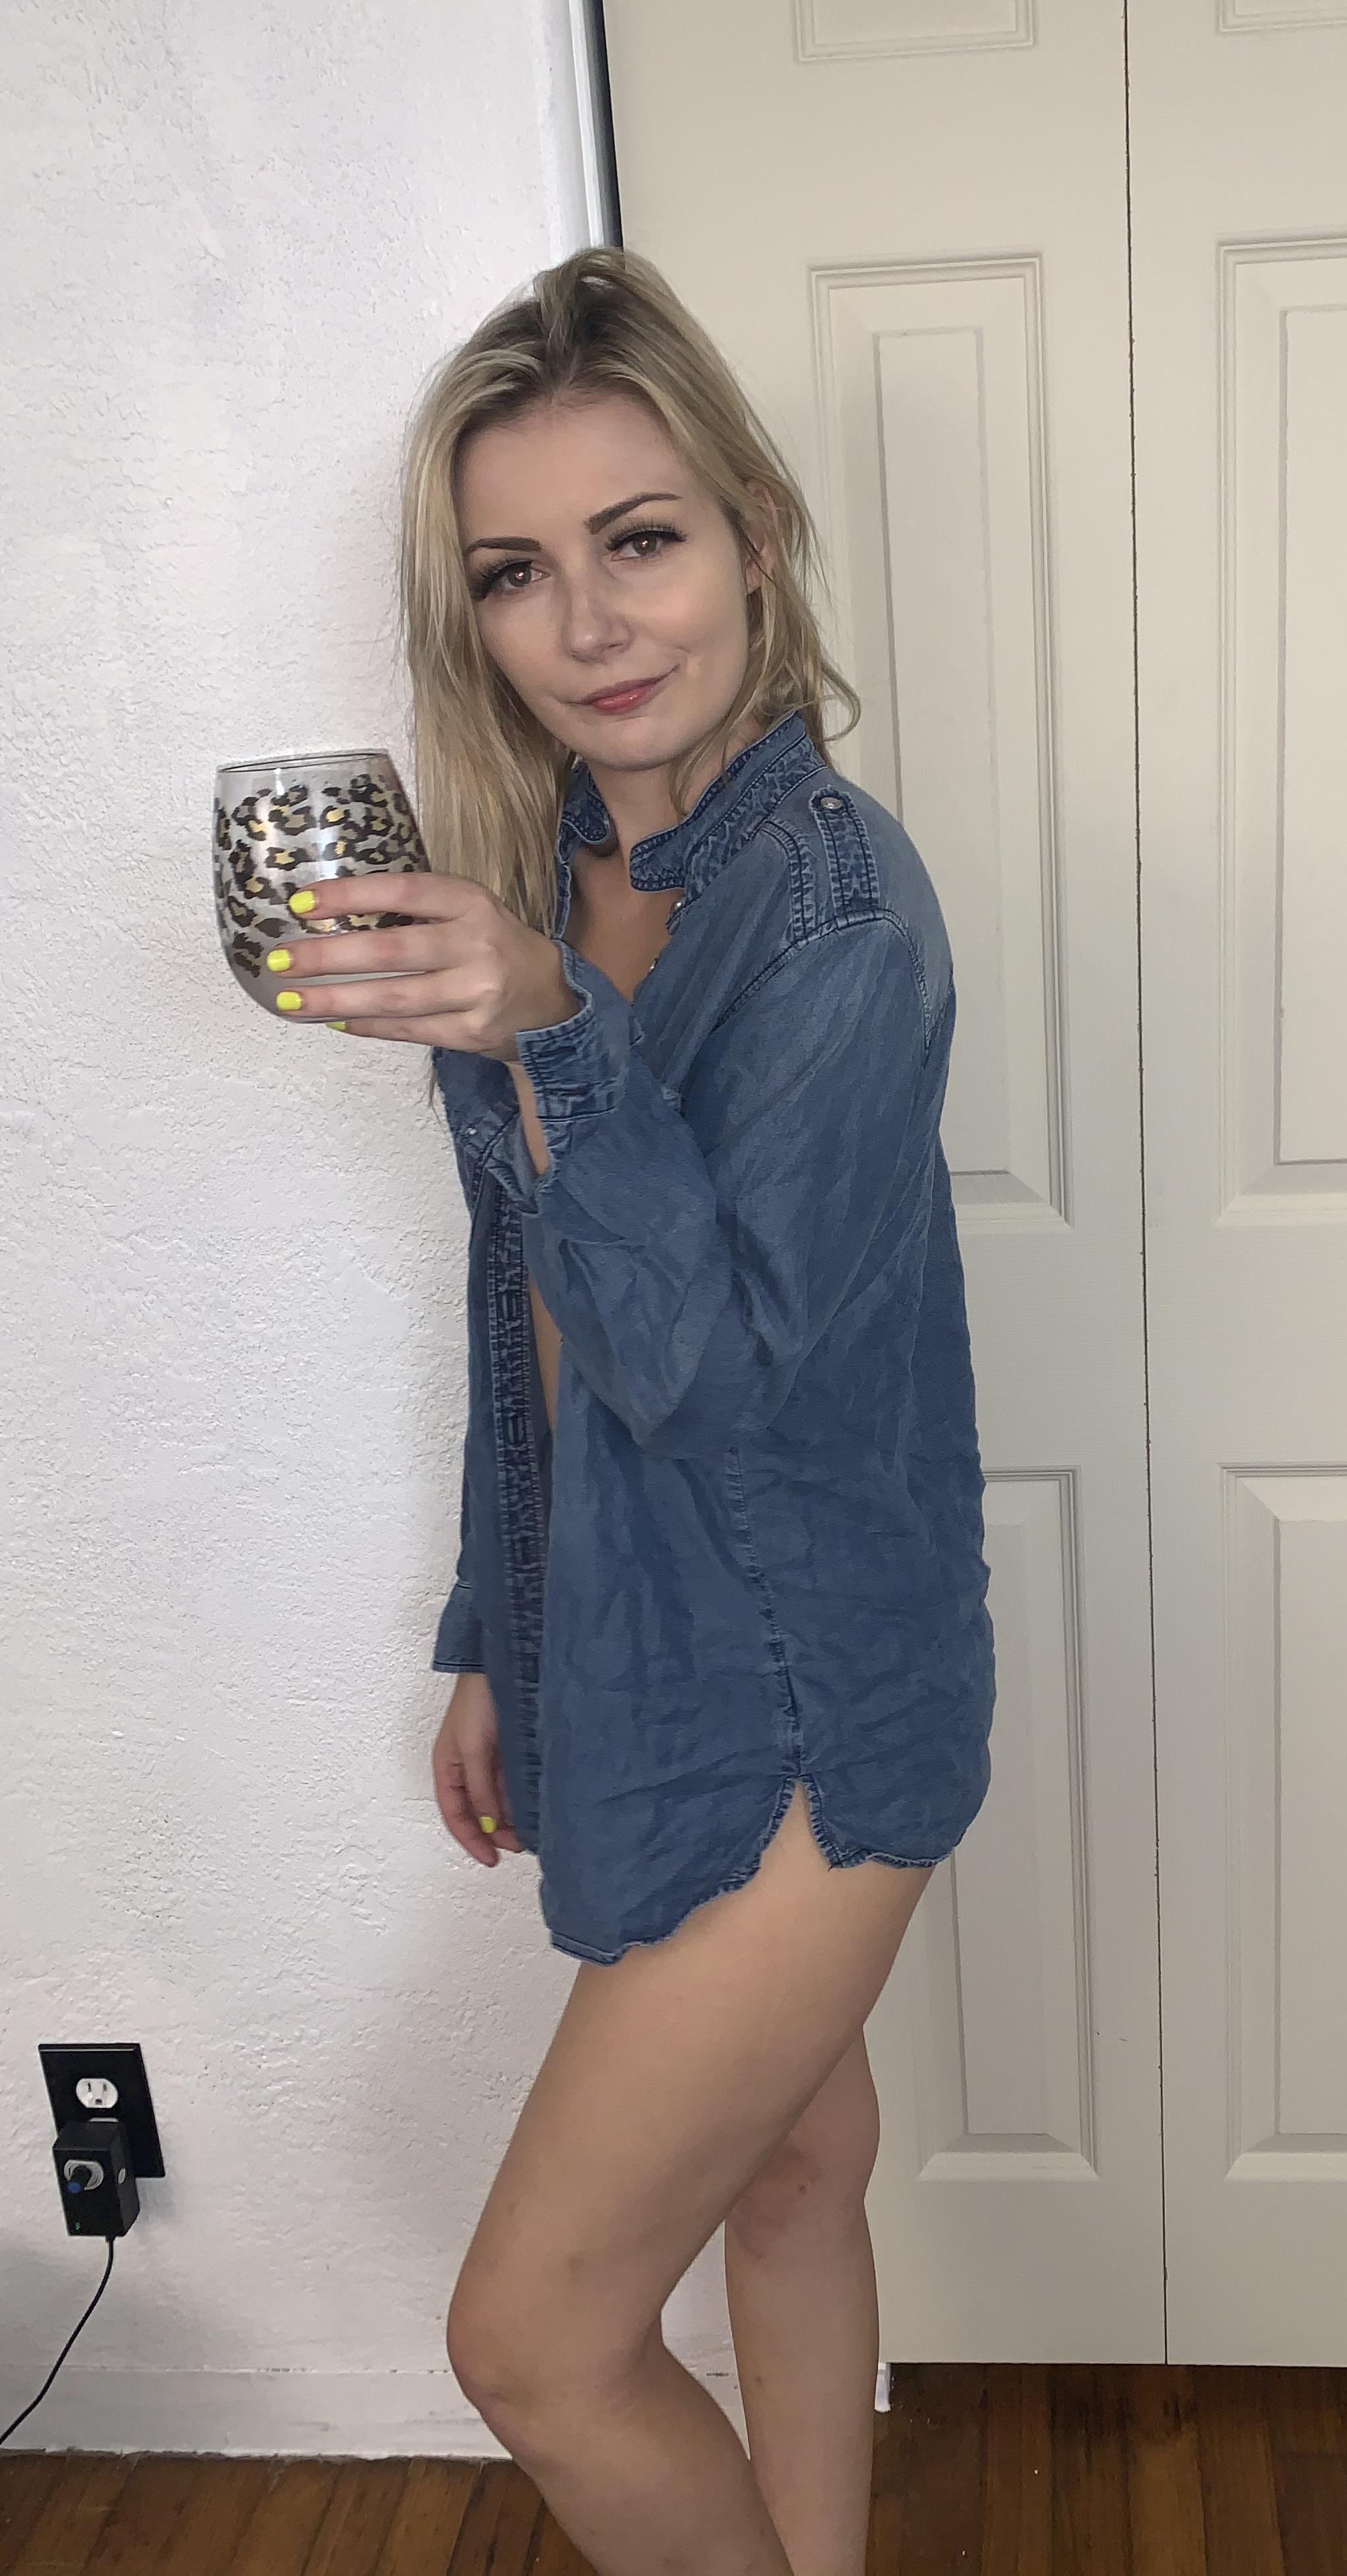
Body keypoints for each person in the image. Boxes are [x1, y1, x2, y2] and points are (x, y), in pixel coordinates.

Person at [267, 247, 997, 2573]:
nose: (587, 622)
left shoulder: (841, 918)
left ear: (754, 538)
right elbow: (538, 1304)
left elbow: (711, 1374)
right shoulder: (544, 872)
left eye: (641, 539)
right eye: (516, 571)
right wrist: (501, 1625)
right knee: (792, 2171)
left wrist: (553, 1032)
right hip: (636, 1640)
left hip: (810, 1684)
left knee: (536, 2345)